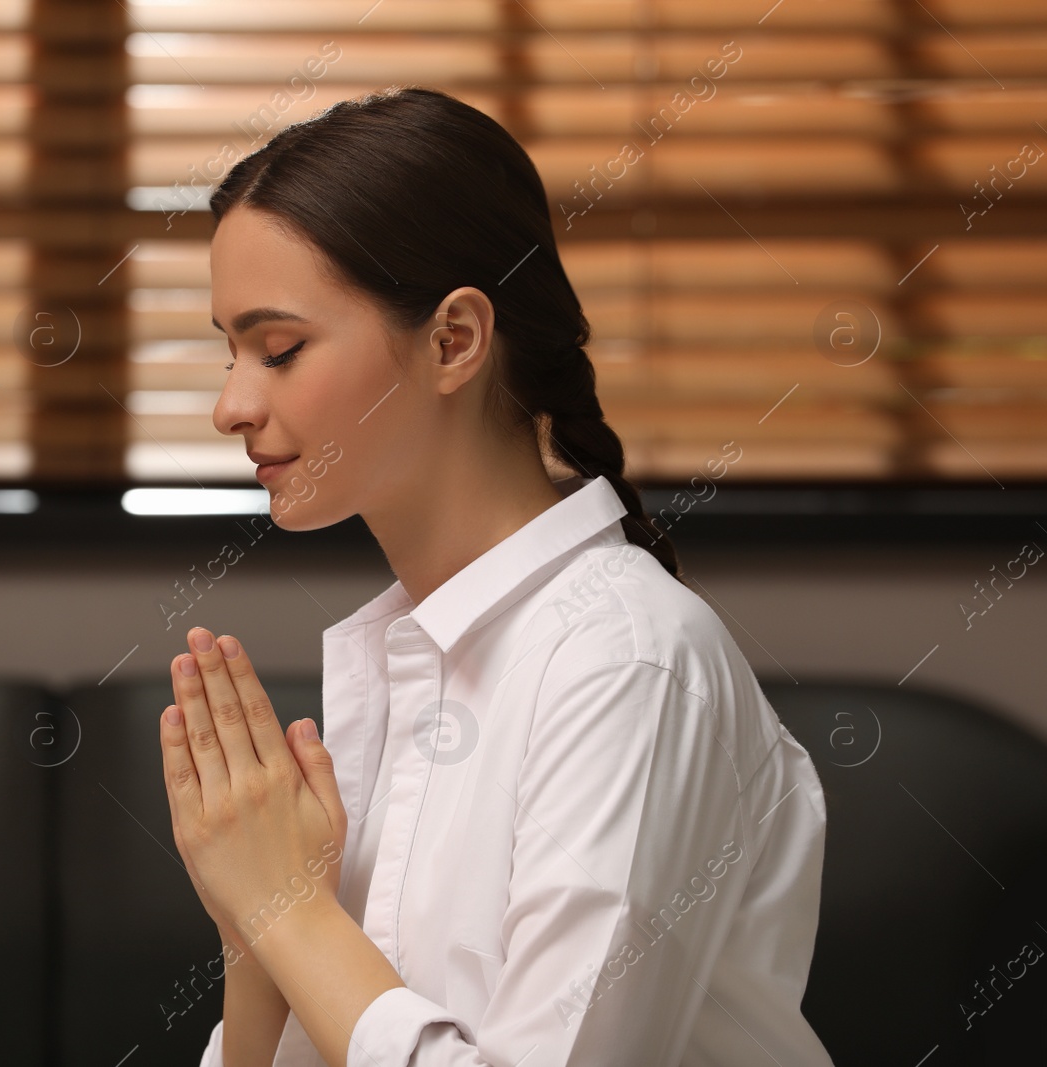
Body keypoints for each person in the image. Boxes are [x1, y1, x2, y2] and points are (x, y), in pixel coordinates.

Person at [160, 85, 834, 1066]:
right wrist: (255, 936)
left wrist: (291, 911)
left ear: (453, 341)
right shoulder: (408, 661)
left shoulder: (626, 665)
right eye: (229, 352)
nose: (230, 405)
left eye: (279, 348)